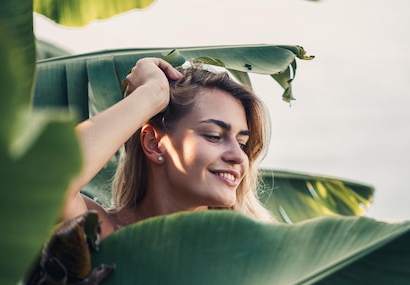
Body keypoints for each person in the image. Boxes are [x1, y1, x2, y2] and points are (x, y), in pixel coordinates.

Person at [62, 57, 274, 240]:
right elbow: (48, 181)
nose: (238, 157)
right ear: (153, 144)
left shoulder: (253, 254)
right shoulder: (102, 234)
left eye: (242, 144)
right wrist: (153, 93)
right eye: (214, 136)